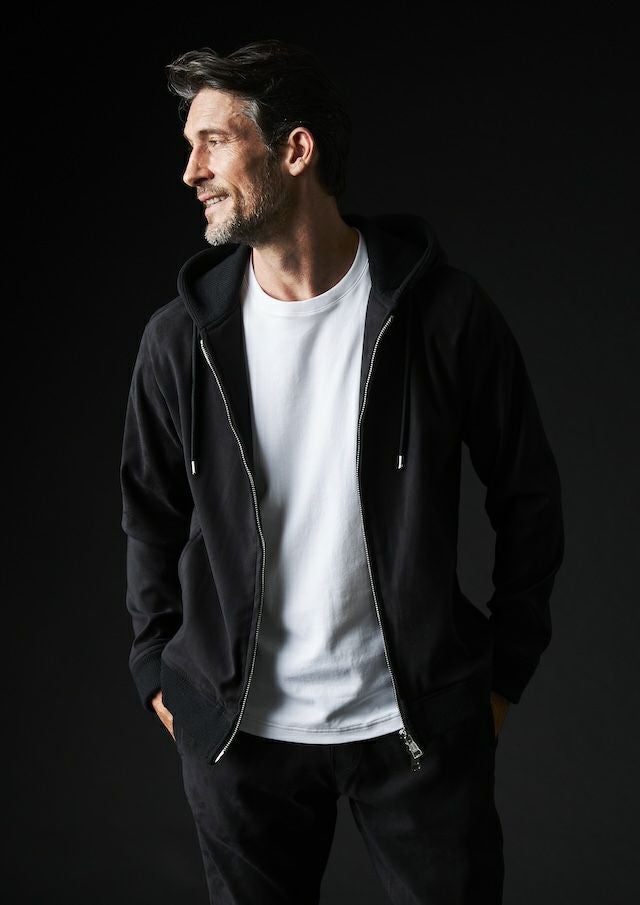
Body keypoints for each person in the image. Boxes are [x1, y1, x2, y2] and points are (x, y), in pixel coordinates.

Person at [119, 38, 564, 905]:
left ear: (295, 149)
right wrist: (155, 673)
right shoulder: (180, 340)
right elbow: (148, 513)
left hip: (415, 730)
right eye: (189, 146)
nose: (190, 171)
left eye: (214, 141)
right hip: (240, 740)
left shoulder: (441, 315)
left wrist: (503, 672)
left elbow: (530, 495)